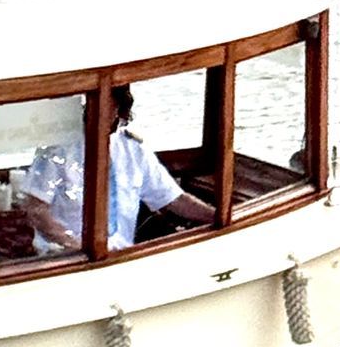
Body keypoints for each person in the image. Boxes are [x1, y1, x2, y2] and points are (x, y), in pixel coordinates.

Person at [19, 87, 213, 255]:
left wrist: (218, 216)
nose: (95, 112)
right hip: (65, 257)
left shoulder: (134, 149)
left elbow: (174, 199)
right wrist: (74, 246)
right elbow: (36, 209)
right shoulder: (58, 149)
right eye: (90, 105)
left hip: (119, 255)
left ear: (118, 109)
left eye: (106, 106)